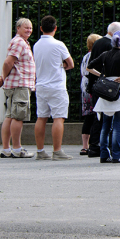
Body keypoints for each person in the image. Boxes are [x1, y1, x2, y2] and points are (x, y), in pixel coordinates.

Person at [87, 30, 120, 164]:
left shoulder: (105, 54)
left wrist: (101, 76)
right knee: (118, 125)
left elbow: (89, 67)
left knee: (105, 125)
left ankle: (104, 154)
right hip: (118, 90)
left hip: (106, 90)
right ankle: (116, 154)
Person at [0, 18, 36, 159]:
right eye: (26, 28)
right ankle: (17, 149)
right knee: (18, 117)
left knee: (10, 116)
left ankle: (6, 149)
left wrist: (3, 78)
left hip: (15, 83)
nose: (29, 30)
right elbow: (8, 62)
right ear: (18, 28)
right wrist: (3, 77)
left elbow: (9, 63)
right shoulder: (19, 42)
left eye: (30, 28)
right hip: (20, 83)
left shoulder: (19, 42)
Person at [33, 15, 74, 160]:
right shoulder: (59, 44)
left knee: (41, 117)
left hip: (41, 85)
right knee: (58, 118)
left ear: (41, 28)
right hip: (56, 85)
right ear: (55, 28)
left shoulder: (36, 45)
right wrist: (61, 65)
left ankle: (40, 151)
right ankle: (57, 151)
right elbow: (70, 64)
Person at [86, 21, 120, 158]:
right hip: (107, 86)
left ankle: (97, 146)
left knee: (100, 117)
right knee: (106, 119)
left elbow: (90, 65)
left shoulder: (98, 42)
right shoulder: (110, 45)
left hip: (97, 85)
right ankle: (102, 146)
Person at [79, 33, 101, 155]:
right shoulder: (95, 56)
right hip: (92, 87)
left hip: (85, 87)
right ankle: (94, 143)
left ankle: (84, 145)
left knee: (88, 115)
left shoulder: (85, 56)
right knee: (96, 115)